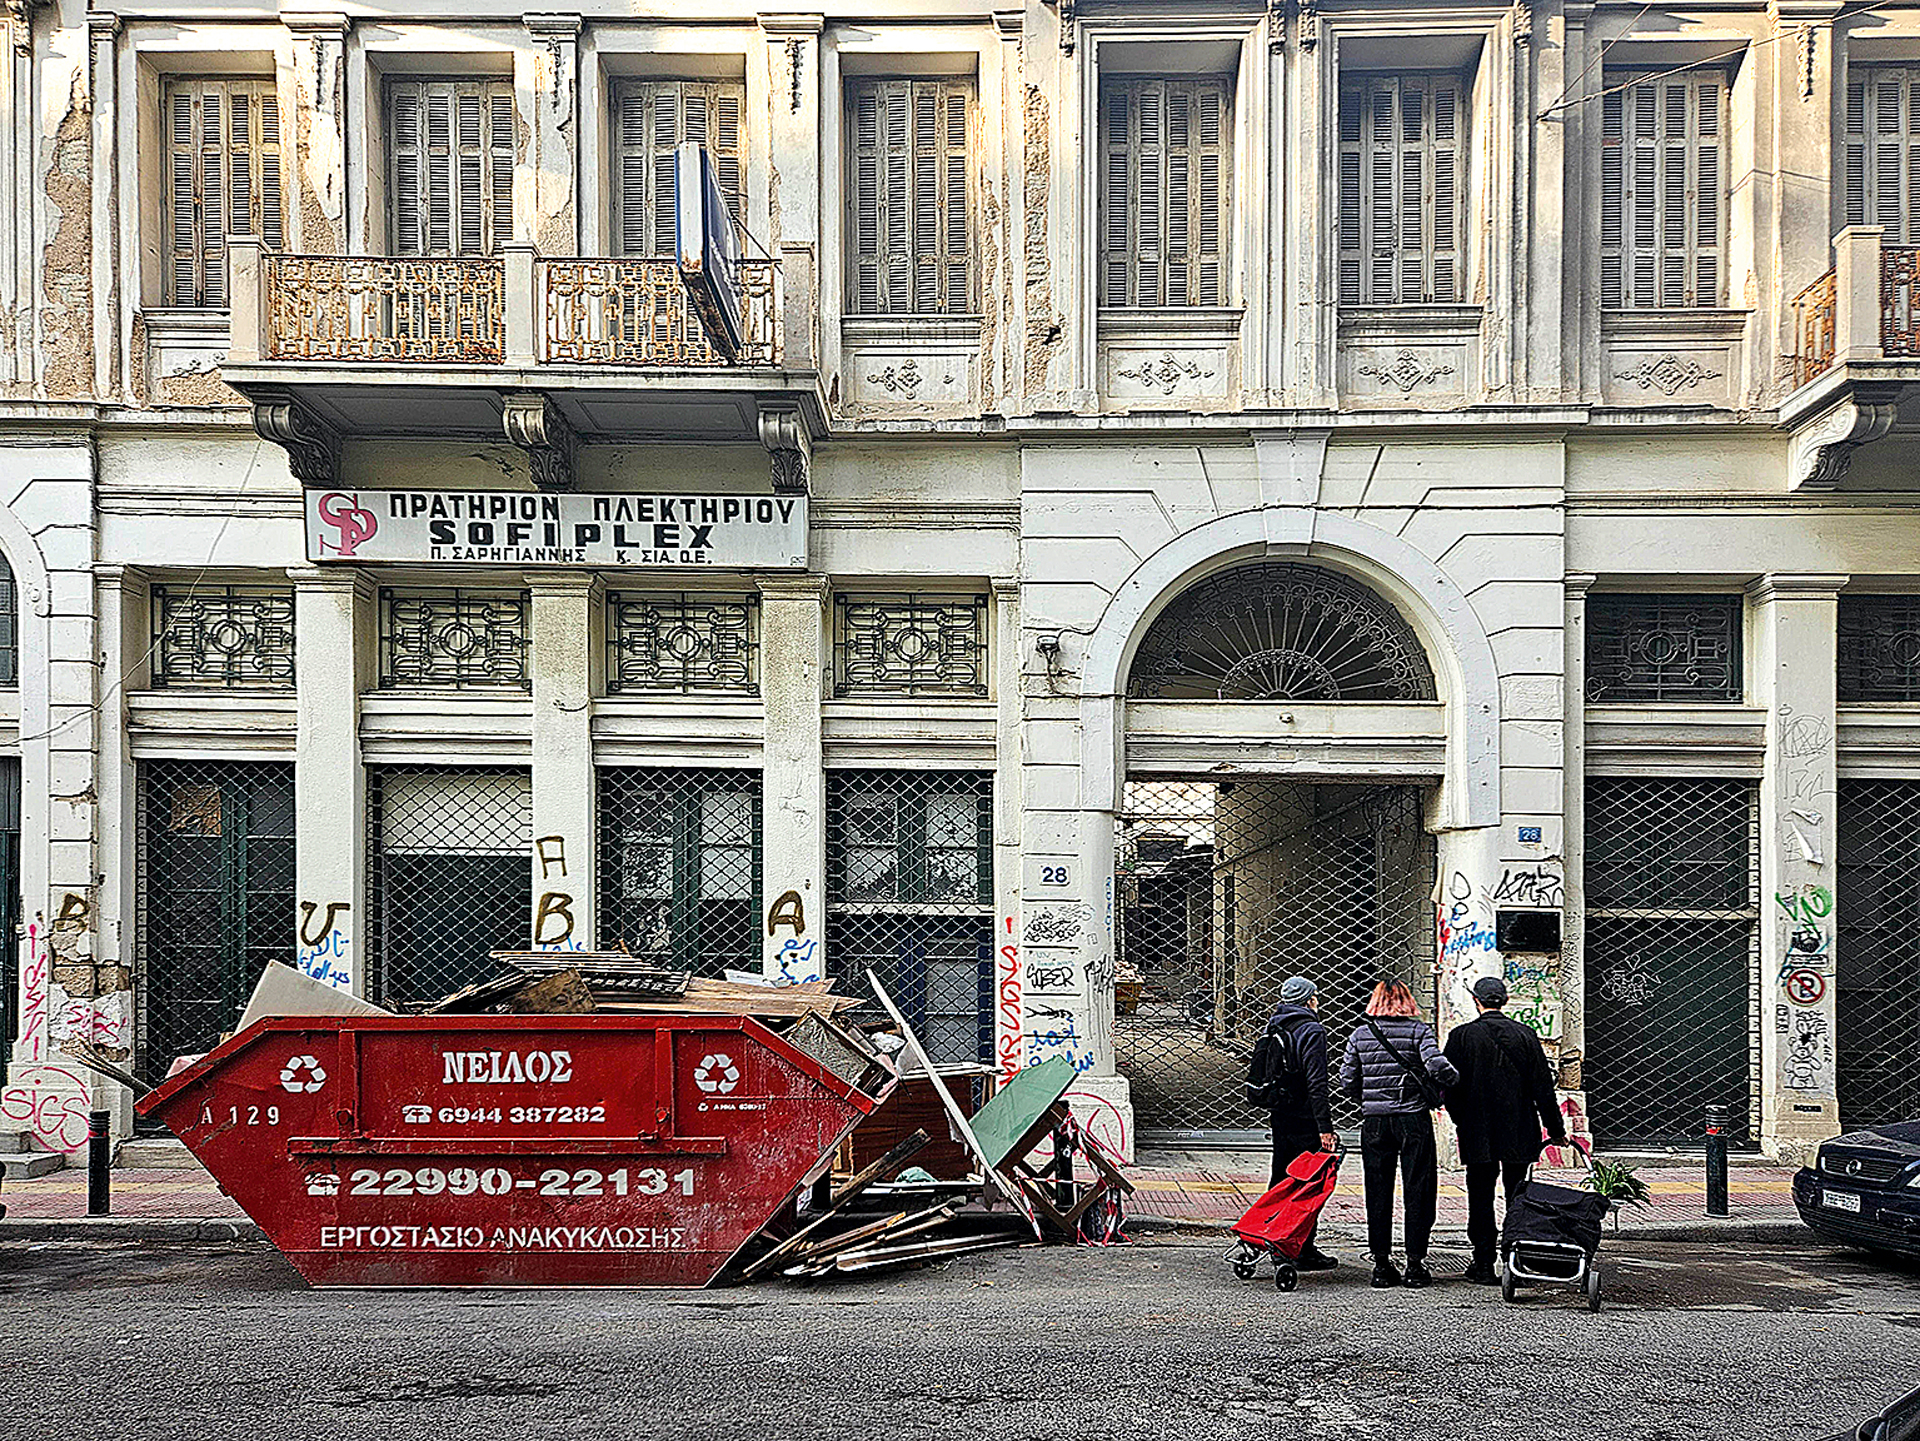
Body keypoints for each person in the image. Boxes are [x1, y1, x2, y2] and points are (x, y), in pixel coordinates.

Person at [1443, 974, 1568, 1285]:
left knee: (1480, 1195)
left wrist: (1461, 1119)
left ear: (1476, 1000)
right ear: (1506, 1001)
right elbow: (1543, 1089)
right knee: (1518, 1196)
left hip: (1478, 1130)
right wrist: (1555, 1129)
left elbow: (1449, 1086)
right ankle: (1516, 1261)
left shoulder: (1461, 1036)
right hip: (1519, 1129)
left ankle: (1483, 1262)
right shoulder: (1526, 1035)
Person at [1340, 980, 1458, 1289]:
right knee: (1418, 1188)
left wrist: (1368, 1098)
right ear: (1407, 1002)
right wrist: (1451, 1081)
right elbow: (1438, 1067)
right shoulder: (1419, 1032)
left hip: (1375, 1122)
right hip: (1412, 1120)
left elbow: (1347, 1079)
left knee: (1377, 1191)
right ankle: (1415, 1265)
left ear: (1375, 1002)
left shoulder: (1360, 1034)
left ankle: (1381, 1265)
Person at [1261, 975, 1339, 1271]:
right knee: (1309, 1183)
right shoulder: (1312, 1029)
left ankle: (1269, 1235)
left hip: (1280, 1113)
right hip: (1306, 1117)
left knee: (1281, 1178)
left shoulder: (1275, 1025)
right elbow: (1317, 1082)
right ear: (1309, 1000)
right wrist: (1325, 1126)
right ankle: (1301, 1247)